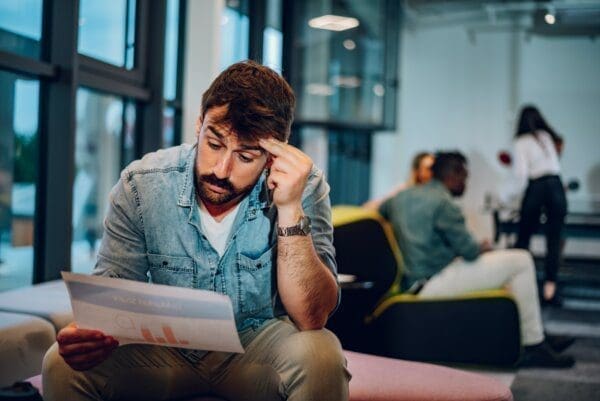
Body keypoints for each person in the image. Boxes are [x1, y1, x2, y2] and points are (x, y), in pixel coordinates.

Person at [42, 61, 350, 401]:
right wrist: (90, 333)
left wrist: (290, 208)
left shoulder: (304, 187)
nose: (221, 170)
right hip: (166, 351)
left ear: (274, 155)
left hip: (257, 346)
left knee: (321, 354)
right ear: (199, 124)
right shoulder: (142, 185)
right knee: (61, 364)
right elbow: (112, 294)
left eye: (246, 156)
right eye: (214, 144)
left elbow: (312, 316)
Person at [379, 151, 574, 368]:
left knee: (510, 263)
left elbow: (377, 212)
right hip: (432, 282)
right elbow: (469, 251)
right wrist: (481, 247)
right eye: (464, 177)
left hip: (415, 280)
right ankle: (534, 345)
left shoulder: (400, 198)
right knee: (521, 260)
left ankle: (537, 336)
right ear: (453, 174)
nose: (466, 183)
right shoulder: (445, 203)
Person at [511, 105, 567, 306]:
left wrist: (509, 198)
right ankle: (550, 290)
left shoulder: (521, 142)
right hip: (557, 186)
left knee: (523, 238)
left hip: (538, 187)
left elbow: (520, 175)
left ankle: (517, 286)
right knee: (554, 239)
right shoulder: (546, 137)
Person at [363, 152, 434, 210]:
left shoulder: (439, 193)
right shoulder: (404, 189)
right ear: (417, 171)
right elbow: (377, 204)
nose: (433, 172)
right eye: (429, 168)